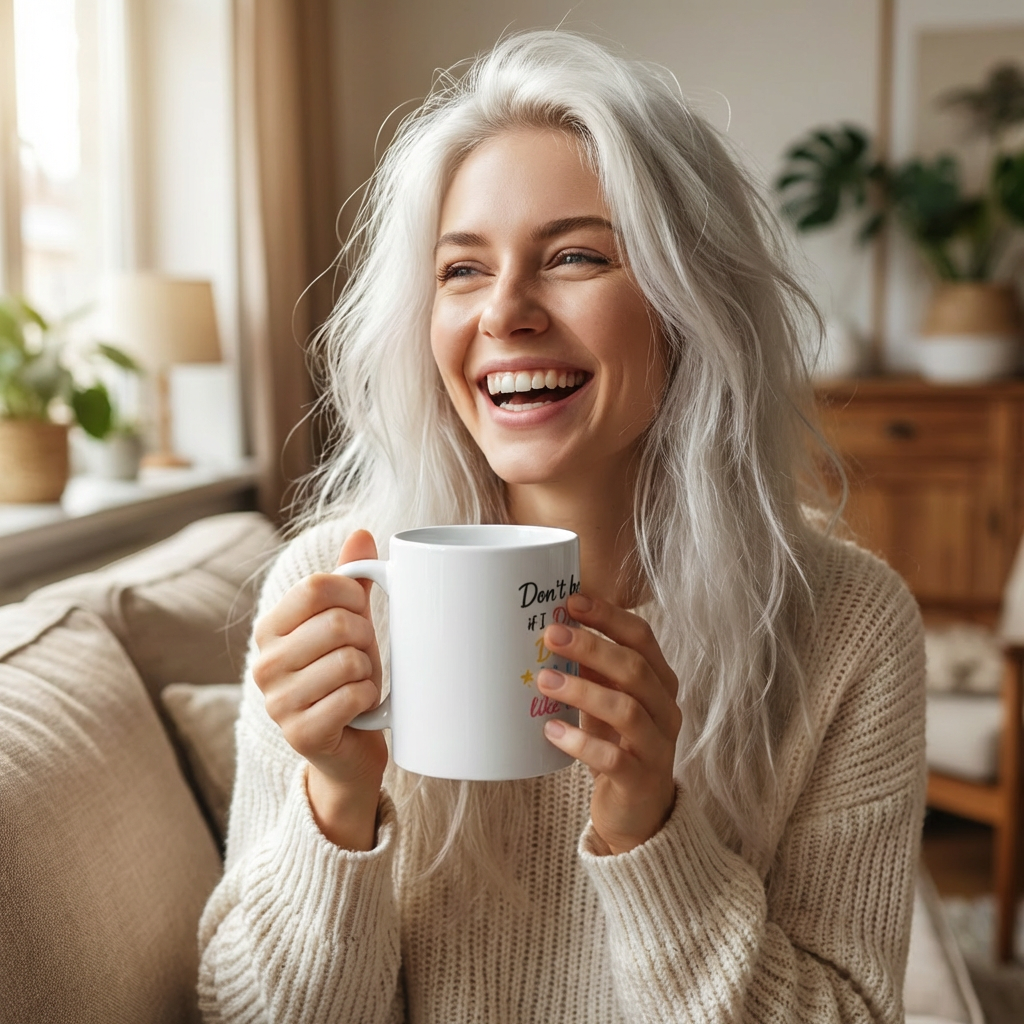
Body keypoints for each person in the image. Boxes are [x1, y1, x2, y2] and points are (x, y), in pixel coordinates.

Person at [198, 30, 925, 1024]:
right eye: (461, 270)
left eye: (574, 255)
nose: (504, 313)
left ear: (688, 300)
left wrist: (649, 831)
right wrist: (336, 799)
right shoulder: (331, 589)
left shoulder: (847, 626)